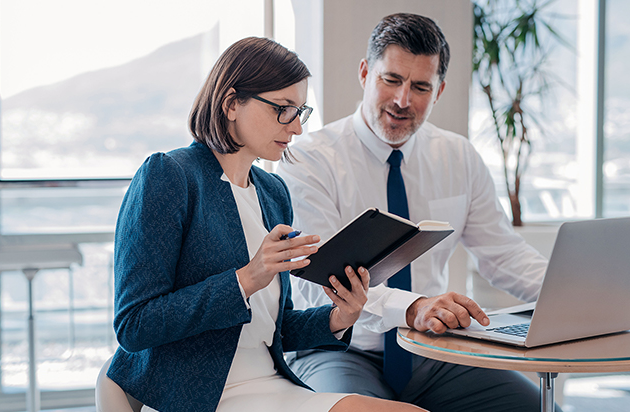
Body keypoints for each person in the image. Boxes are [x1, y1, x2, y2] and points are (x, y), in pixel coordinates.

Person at [105, 37, 426, 412]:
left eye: (300, 111)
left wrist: (341, 316)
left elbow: (276, 328)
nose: (296, 128)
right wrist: (245, 279)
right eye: (283, 109)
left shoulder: (273, 193)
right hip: (201, 396)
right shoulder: (169, 177)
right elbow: (134, 325)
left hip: (271, 385)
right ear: (230, 104)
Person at [278, 13, 559, 412]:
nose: (402, 100)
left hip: (432, 352)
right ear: (364, 73)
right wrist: (412, 307)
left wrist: (570, 296)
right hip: (339, 348)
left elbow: (503, 254)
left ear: (439, 90)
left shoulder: (457, 156)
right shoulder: (307, 160)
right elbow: (318, 282)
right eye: (391, 80)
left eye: (420, 86)